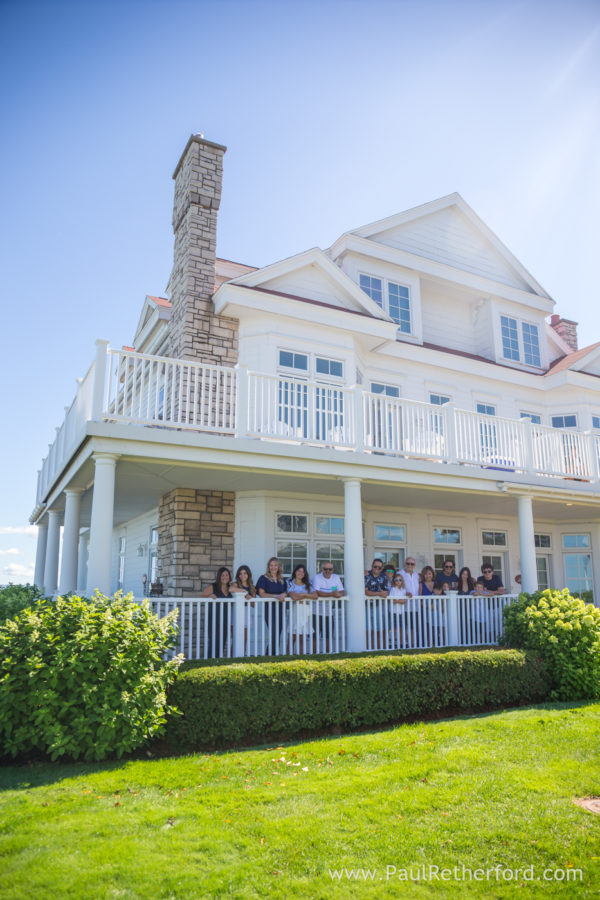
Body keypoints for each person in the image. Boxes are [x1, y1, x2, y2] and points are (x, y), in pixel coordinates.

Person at [256, 557, 287, 653]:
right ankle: (269, 654)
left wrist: (283, 594)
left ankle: (273, 654)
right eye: (271, 565)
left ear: (278, 567)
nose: (273, 567)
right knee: (274, 632)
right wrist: (276, 596)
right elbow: (261, 594)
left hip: (280, 609)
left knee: (278, 632)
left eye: (275, 565)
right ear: (268, 567)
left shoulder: (282, 579)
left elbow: (286, 591)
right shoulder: (263, 578)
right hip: (269, 609)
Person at [312, 561, 345, 653]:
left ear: (333, 570)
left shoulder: (335, 577)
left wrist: (338, 594)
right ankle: (314, 654)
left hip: (329, 612)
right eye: (325, 569)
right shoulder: (317, 577)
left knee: (328, 635)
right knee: (315, 635)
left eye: (330, 569)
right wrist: (332, 594)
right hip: (315, 612)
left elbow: (342, 591)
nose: (328, 571)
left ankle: (328, 653)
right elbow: (317, 592)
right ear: (321, 569)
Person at [200, 566, 232, 658]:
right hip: (214, 618)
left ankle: (217, 662)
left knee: (223, 640)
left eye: (226, 575)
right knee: (213, 641)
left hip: (225, 619)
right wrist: (209, 596)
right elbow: (202, 597)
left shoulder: (230, 588)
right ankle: (210, 662)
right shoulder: (213, 587)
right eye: (222, 575)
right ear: (219, 576)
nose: (225, 577)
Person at [286, 564, 317, 654]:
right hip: (295, 610)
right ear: (295, 572)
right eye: (299, 571)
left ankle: (300, 655)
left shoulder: (308, 583)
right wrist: (306, 595)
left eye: (303, 571)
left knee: (302, 634)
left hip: (305, 610)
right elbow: (293, 596)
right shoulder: (290, 582)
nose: (301, 573)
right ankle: (288, 654)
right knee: (292, 634)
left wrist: (303, 595)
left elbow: (315, 596)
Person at [231, 565, 258, 655]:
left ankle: (243, 655)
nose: (243, 575)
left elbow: (253, 605)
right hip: (236, 612)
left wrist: (250, 598)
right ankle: (232, 657)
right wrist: (244, 592)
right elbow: (230, 589)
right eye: (240, 574)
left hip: (246, 612)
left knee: (244, 638)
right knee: (235, 638)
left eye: (245, 573)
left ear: (248, 574)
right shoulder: (236, 584)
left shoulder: (252, 587)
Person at [365, 559, 389, 649]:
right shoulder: (367, 576)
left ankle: (380, 649)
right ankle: (368, 649)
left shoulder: (383, 577)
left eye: (379, 567)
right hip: (366, 606)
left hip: (379, 606)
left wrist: (384, 593)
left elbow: (386, 591)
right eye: (375, 567)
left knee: (380, 629)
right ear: (372, 566)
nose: (377, 569)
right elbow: (366, 592)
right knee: (368, 629)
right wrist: (379, 593)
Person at [388, 571, 407, 647]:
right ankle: (393, 641)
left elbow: (404, 601)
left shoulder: (403, 590)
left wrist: (398, 601)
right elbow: (392, 600)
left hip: (401, 611)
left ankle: (401, 642)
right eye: (396, 580)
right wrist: (399, 601)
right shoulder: (393, 589)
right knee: (394, 627)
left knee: (401, 627)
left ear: (402, 581)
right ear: (394, 581)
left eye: (400, 580)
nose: (398, 581)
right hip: (394, 611)